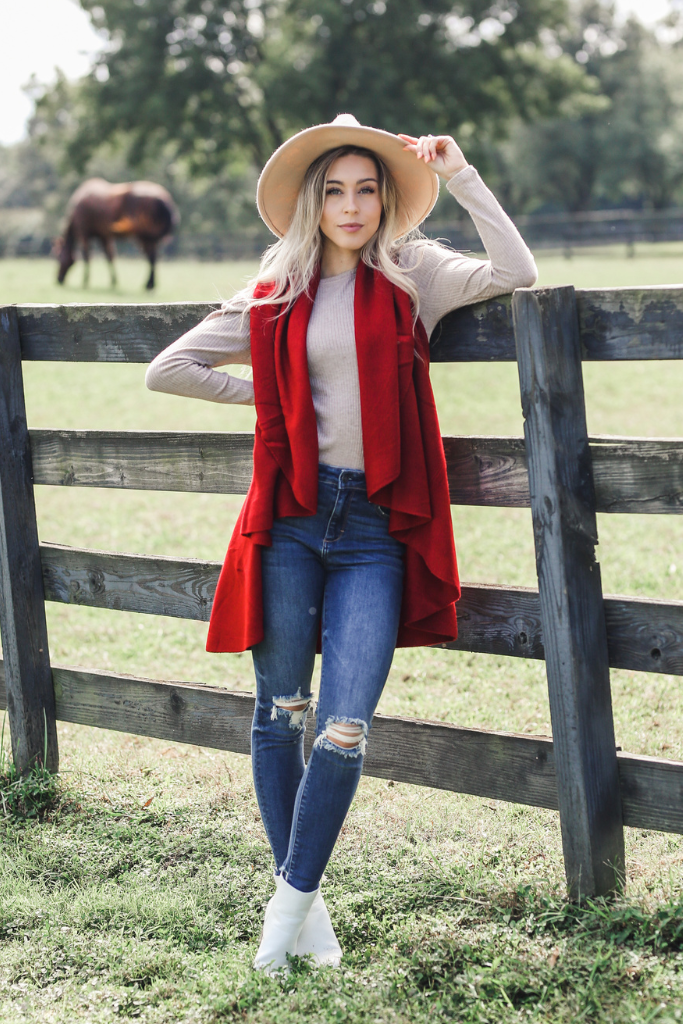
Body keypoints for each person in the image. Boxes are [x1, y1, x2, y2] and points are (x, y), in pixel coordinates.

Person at [146, 114, 537, 975]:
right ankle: (306, 915)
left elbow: (518, 271)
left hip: (373, 529)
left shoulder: (415, 274)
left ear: (385, 197)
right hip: (289, 518)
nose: (351, 206)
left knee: (344, 725)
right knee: (280, 715)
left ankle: (283, 912)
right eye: (334, 191)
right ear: (312, 203)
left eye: (366, 189)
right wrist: (272, 402)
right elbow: (168, 367)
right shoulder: (277, 282)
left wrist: (462, 173)